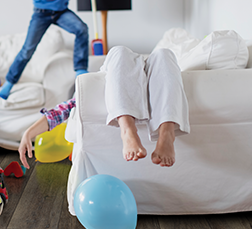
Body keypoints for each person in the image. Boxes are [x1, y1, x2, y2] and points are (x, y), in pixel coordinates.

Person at [18, 46, 190, 169]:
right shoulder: (106, 77)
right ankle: (127, 130)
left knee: (165, 54)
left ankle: (167, 134)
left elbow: (63, 109)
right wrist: (28, 132)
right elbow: (63, 109)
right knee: (119, 51)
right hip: (120, 70)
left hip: (157, 69)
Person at [0, 0, 89, 100]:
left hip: (61, 11)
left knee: (81, 29)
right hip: (41, 13)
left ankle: (81, 69)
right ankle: (9, 83)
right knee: (27, 50)